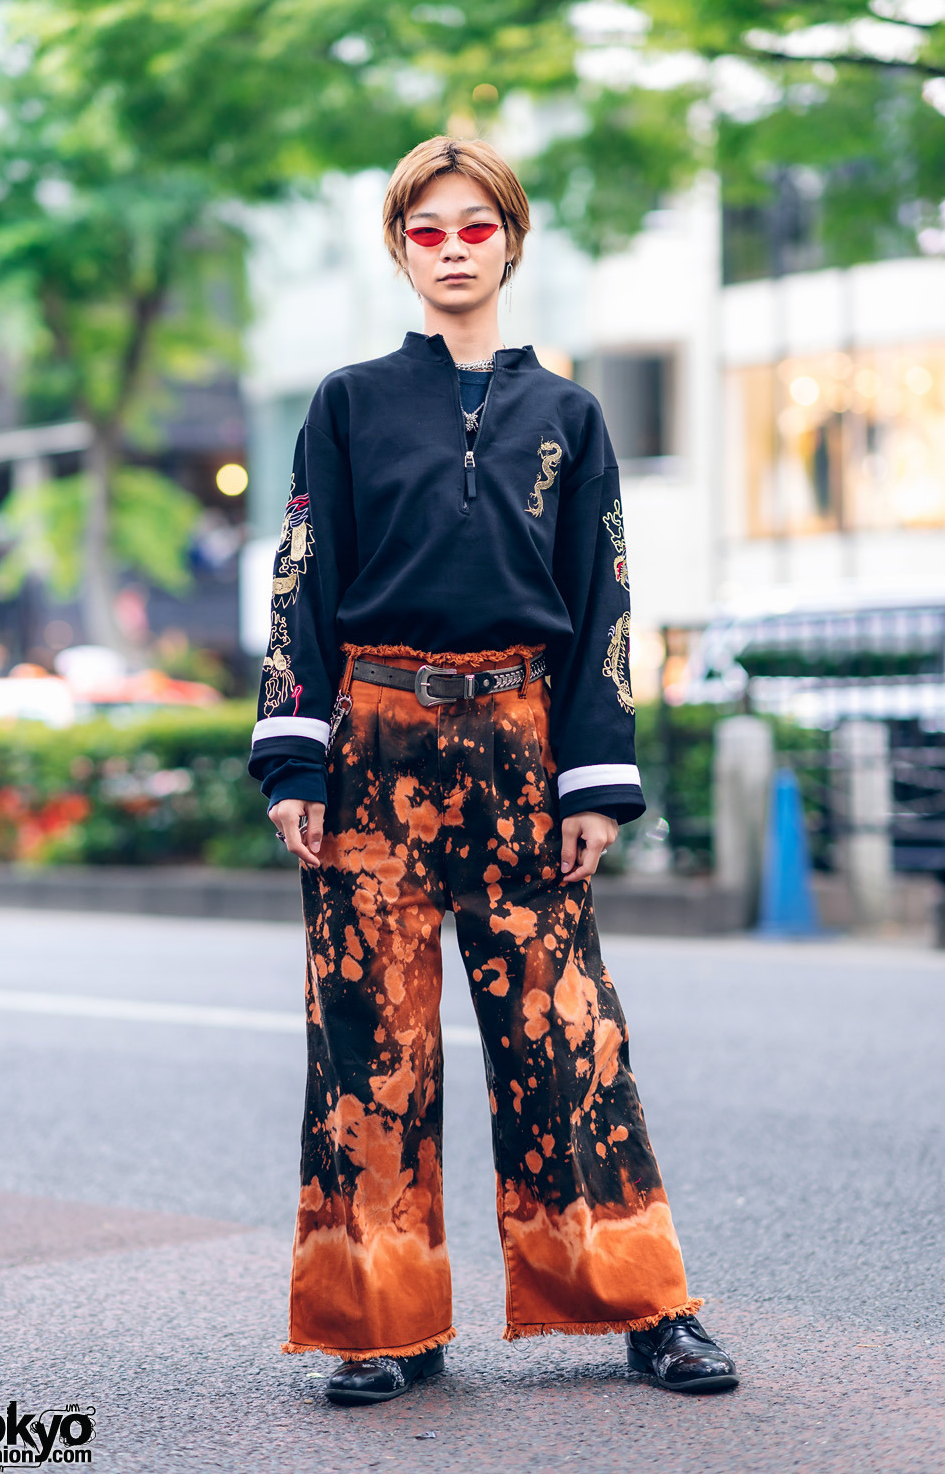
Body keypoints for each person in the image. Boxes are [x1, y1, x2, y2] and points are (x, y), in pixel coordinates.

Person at [248, 136, 738, 1406]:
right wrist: (294, 759)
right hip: (371, 750)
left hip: (521, 745)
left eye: (476, 228)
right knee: (372, 1046)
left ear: (511, 241)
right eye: (429, 231)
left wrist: (593, 779)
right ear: (400, 249)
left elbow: (605, 599)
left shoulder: (568, 416)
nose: (454, 249)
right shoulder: (348, 403)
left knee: (566, 1037)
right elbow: (302, 580)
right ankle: (384, 1322)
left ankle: (646, 1306)